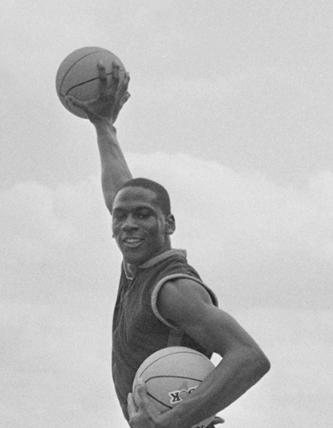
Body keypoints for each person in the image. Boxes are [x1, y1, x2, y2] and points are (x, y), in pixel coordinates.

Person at [68, 62, 270, 428]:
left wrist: (171, 422)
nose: (129, 224)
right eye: (120, 217)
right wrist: (104, 128)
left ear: (169, 224)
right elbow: (118, 191)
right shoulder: (138, 266)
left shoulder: (173, 288)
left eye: (143, 215)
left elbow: (249, 357)